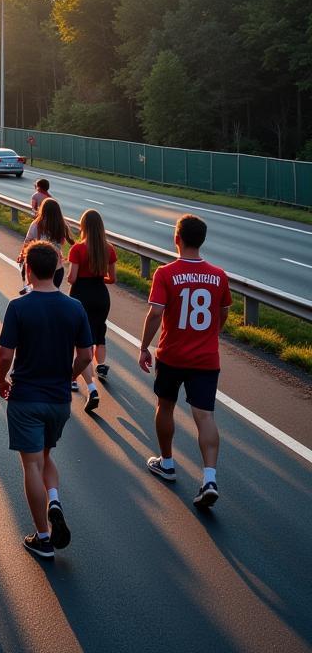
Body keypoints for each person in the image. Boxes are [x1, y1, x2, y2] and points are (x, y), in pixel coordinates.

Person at [0, 242, 93, 560]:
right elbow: (86, 355)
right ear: (56, 270)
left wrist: (2, 378)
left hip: (26, 396)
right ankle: (54, 499)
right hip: (58, 399)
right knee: (47, 455)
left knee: (31, 464)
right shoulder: (75, 307)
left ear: (28, 269)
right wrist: (69, 376)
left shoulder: (18, 306)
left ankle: (42, 537)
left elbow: (5, 353)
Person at [139, 214, 231, 508]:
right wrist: (210, 334)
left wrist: (143, 347)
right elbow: (223, 312)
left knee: (164, 406)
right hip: (206, 358)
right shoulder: (219, 275)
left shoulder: (166, 273)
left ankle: (166, 463)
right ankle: (210, 478)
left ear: (176, 238)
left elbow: (155, 313)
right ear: (201, 240)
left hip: (172, 355)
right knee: (205, 416)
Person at [68, 209, 117, 411]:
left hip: (81, 295)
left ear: (83, 226)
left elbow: (72, 278)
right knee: (99, 331)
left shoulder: (78, 249)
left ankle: (85, 384)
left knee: (81, 341)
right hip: (101, 295)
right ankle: (101, 365)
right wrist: (99, 277)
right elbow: (112, 279)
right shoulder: (109, 249)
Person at [20, 197, 72, 293]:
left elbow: (27, 242)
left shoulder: (36, 224)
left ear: (42, 209)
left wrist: (22, 256)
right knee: (53, 295)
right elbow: (67, 242)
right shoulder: (62, 225)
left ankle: (28, 290)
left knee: (36, 293)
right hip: (57, 266)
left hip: (39, 265)